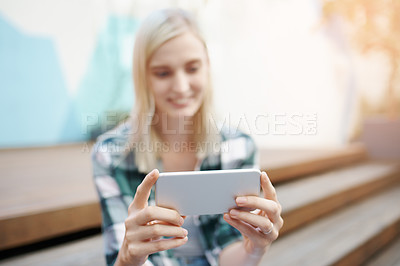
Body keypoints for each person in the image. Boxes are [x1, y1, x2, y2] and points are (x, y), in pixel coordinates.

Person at [92, 8, 283, 266]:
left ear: (207, 67)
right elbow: (122, 256)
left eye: (192, 68)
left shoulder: (238, 147)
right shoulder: (111, 154)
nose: (181, 87)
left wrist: (254, 250)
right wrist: (128, 257)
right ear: (143, 77)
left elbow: (231, 252)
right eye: (163, 73)